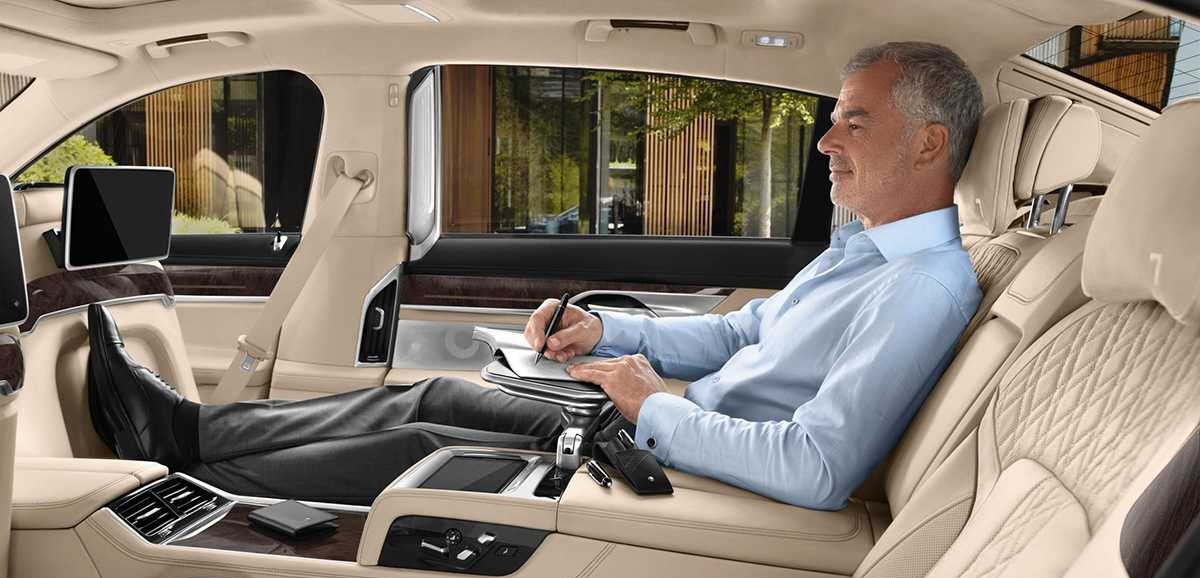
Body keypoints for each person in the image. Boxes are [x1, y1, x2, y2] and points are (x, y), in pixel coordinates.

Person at [87, 41, 984, 508]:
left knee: (423, 442)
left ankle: (183, 485)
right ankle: (189, 432)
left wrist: (655, 407)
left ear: (929, 143)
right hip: (664, 431)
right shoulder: (862, 253)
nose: (825, 142)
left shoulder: (923, 288)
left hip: (689, 462)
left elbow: (819, 468)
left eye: (854, 122)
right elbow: (742, 332)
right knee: (434, 393)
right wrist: (609, 332)